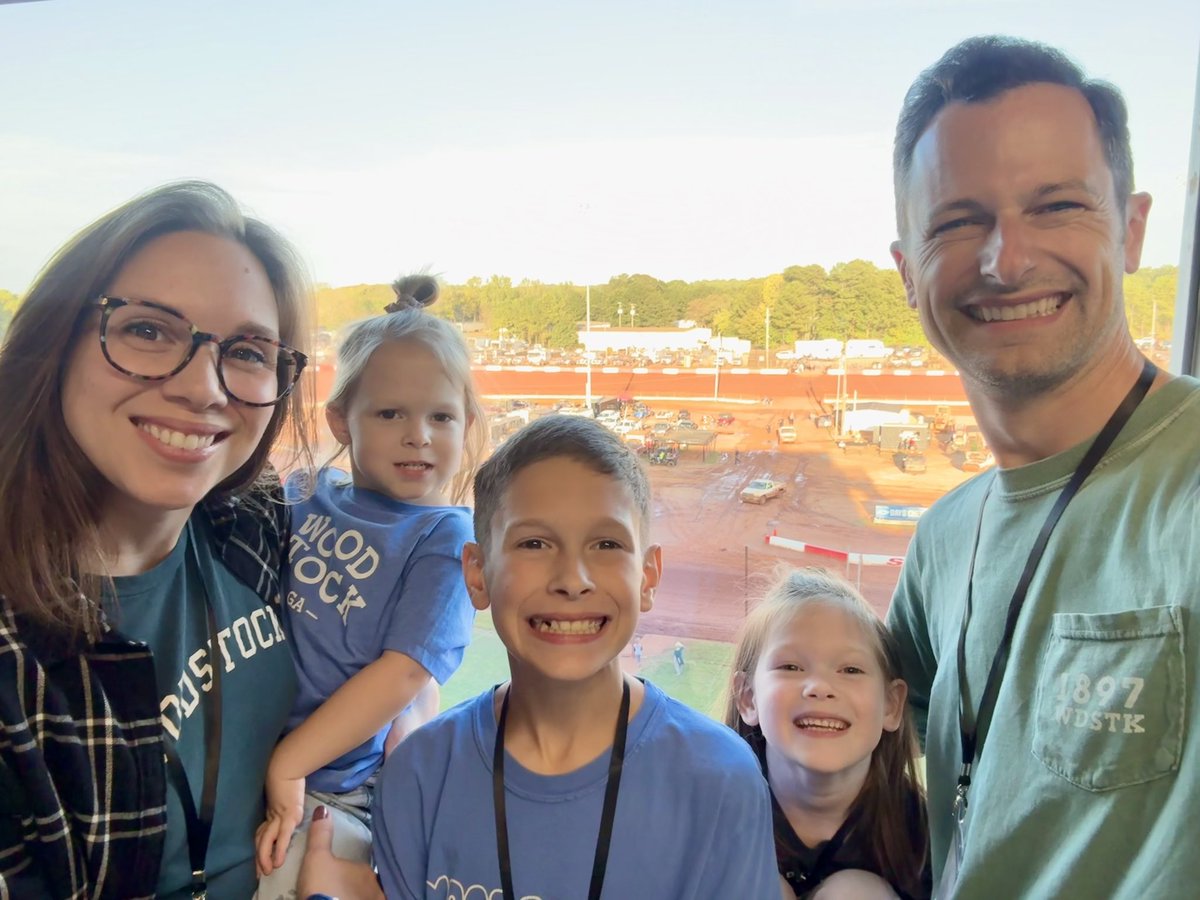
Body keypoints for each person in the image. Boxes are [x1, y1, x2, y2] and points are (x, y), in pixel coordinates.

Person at [887, 36, 1200, 898]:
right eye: (959, 221)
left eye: (1057, 206)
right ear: (908, 273)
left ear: (1132, 232)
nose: (1007, 258)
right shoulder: (944, 540)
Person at [299, 415, 781, 899]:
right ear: (477, 574)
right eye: (533, 543)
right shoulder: (419, 776)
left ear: (648, 576)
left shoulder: (719, 781)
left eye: (607, 544)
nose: (572, 579)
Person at [0, 181, 315, 898]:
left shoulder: (251, 522)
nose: (203, 388)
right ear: (57, 341)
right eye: (147, 329)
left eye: (247, 351)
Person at [255, 276, 487, 895]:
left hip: (332, 785)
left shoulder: (444, 537)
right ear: (339, 420)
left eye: (442, 415)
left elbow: (405, 674)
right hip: (259, 760)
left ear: (467, 424)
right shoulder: (305, 491)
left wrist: (291, 761)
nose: (420, 435)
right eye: (390, 414)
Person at [726, 568, 929, 900]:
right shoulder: (713, 807)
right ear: (748, 697)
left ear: (891, 705)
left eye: (850, 670)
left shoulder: (918, 830)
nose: (820, 687)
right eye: (791, 667)